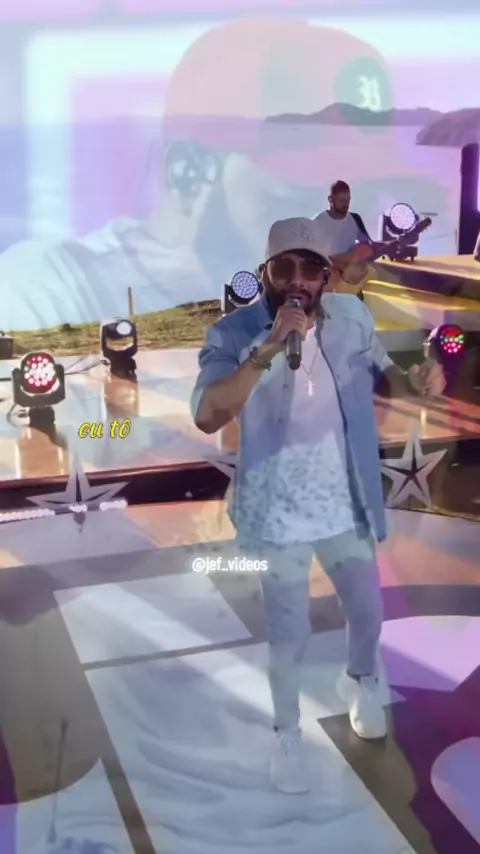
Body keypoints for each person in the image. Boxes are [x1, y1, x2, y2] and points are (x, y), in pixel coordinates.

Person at [191, 216, 445, 795]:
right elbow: (208, 414)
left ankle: (361, 679)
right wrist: (269, 348)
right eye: (285, 268)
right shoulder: (232, 333)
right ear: (265, 273)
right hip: (277, 512)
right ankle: (287, 734)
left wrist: (416, 379)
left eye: (311, 269)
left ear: (327, 277)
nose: (298, 281)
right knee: (290, 634)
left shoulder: (353, 317)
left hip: (343, 500)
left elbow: (387, 378)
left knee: (368, 612)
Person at [0, 18, 440, 333]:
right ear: (188, 172)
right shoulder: (50, 294)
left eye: (359, 199)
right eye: (295, 194)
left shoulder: (361, 303)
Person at [314, 179, 372, 255]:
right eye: (341, 200)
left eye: (348, 200)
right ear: (330, 199)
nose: (346, 205)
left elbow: (368, 246)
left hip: (350, 262)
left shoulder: (355, 219)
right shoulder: (318, 222)